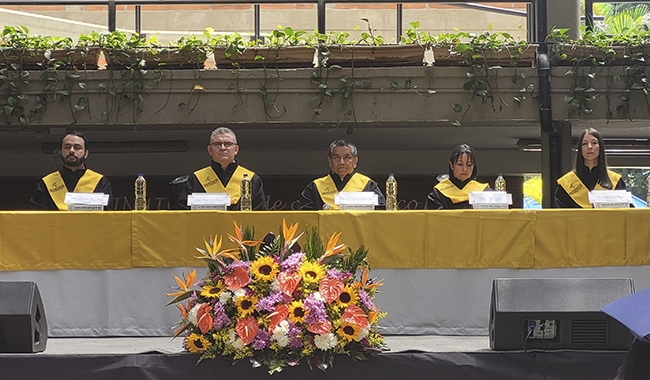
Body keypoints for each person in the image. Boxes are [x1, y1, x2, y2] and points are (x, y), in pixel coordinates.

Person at [178, 127, 267, 210]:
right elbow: (184, 212)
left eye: (228, 144)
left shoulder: (252, 180)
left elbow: (260, 213)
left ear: (236, 149)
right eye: (217, 144)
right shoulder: (196, 179)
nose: (223, 148)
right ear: (210, 150)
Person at [31, 131, 113, 211]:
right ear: (60, 152)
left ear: (86, 153)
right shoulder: (47, 183)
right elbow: (37, 216)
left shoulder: (100, 182)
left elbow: (106, 216)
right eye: (67, 147)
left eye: (77, 147)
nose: (72, 151)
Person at [300, 139, 385, 210]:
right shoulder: (315, 187)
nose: (341, 162)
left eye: (347, 157)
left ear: (355, 162)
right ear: (330, 161)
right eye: (336, 157)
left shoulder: (368, 185)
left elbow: (380, 214)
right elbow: (305, 216)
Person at [554, 128, 627, 208]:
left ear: (600, 147)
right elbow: (559, 216)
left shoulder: (615, 181)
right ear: (580, 149)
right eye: (585, 144)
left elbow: (625, 213)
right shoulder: (567, 183)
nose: (589, 147)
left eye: (594, 143)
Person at [424, 144, 489, 209]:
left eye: (469, 165)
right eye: (460, 164)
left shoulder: (484, 192)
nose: (465, 169)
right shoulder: (438, 194)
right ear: (451, 165)